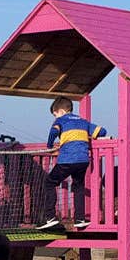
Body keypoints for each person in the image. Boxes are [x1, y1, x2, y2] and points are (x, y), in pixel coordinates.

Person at [36, 96, 107, 230]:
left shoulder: (61, 120)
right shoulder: (83, 121)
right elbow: (102, 131)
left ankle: (50, 216)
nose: (55, 117)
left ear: (61, 111)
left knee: (50, 183)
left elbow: (53, 131)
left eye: (55, 114)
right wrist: (89, 136)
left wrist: (49, 146)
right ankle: (79, 218)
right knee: (78, 186)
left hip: (67, 160)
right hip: (83, 160)